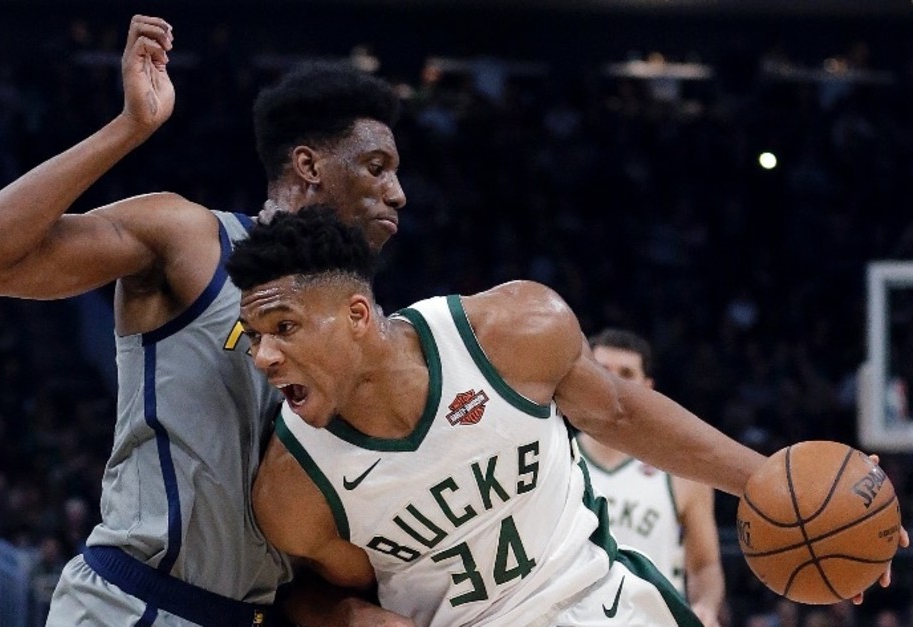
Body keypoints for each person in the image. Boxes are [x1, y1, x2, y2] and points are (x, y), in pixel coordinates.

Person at [0, 15, 409, 627]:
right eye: (377, 167)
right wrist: (129, 129)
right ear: (310, 166)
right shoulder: (193, 239)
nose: (397, 193)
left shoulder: (362, 324)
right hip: (132, 603)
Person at [227, 208, 908, 626]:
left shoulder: (509, 330)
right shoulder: (294, 487)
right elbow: (316, 596)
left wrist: (806, 500)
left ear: (356, 316)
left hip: (604, 603)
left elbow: (618, 411)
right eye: (255, 336)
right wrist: (348, 615)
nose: (264, 355)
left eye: (283, 326)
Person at [576, 329, 725, 626]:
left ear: (647, 388)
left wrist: (705, 606)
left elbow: (705, 565)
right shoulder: (553, 457)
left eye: (626, 373)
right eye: (602, 370)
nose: (612, 381)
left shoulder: (681, 472)